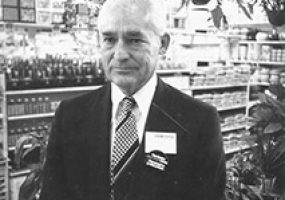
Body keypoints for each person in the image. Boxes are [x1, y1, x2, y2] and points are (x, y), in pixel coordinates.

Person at [39, 0, 226, 199]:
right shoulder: (70, 115)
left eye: (135, 40)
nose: (120, 55)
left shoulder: (199, 120)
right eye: (109, 39)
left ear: (162, 44)